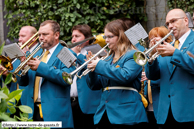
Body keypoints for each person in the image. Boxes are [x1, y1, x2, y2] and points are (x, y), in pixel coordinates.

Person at [86, 19, 148, 129]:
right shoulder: (107, 59)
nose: (106, 40)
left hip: (126, 114)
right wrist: (92, 71)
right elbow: (94, 86)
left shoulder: (134, 54)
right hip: (104, 113)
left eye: (110, 37)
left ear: (121, 36)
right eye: (105, 37)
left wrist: (99, 65)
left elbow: (126, 76)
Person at [17, 20, 76, 129]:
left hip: (55, 112)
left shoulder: (66, 52)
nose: (41, 37)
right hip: (33, 112)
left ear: (56, 35)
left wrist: (41, 67)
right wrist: (22, 66)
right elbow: (23, 82)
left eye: (45, 34)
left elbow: (67, 78)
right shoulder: (37, 54)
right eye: (39, 34)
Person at [145, 9, 194, 128]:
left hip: (189, 111)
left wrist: (175, 53)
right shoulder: (169, 46)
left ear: (186, 20)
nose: (170, 26)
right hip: (165, 112)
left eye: (173, 21)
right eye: (167, 24)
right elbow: (153, 76)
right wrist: (151, 58)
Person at [70, 24, 102, 129]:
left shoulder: (96, 50)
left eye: (77, 36)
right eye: (72, 36)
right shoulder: (72, 52)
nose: (73, 39)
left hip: (88, 102)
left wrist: (77, 54)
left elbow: (89, 65)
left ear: (87, 39)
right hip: (72, 101)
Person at [142, 26, 173, 129]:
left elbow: (167, 77)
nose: (152, 41)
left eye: (156, 37)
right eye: (151, 39)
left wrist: (150, 77)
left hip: (163, 101)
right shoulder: (151, 56)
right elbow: (152, 74)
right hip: (150, 103)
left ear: (166, 38)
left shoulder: (169, 54)